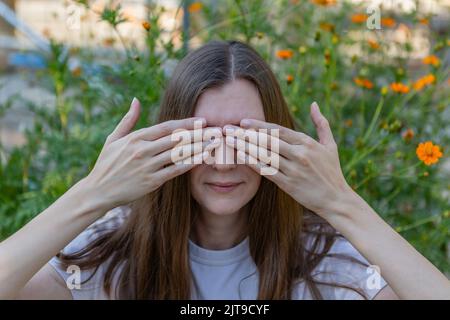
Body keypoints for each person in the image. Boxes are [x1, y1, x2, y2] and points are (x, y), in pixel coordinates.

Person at [0, 40, 449, 300]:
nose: (224, 159)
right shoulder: (109, 257)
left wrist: (344, 205)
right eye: (204, 137)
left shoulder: (327, 262)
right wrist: (92, 194)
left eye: (245, 136)